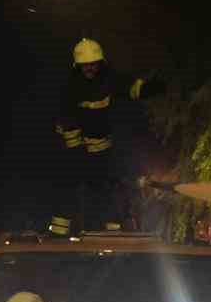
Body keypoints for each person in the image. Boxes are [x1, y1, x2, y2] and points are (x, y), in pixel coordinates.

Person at [54, 38, 164, 233]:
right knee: (70, 185)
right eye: (85, 65)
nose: (89, 69)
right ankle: (58, 231)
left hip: (102, 145)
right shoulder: (70, 86)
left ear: (100, 63)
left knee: (110, 186)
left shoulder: (109, 79)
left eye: (93, 64)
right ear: (77, 66)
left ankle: (112, 230)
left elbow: (129, 86)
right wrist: (76, 150)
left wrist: (149, 88)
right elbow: (67, 118)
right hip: (74, 147)